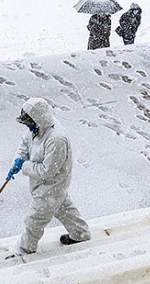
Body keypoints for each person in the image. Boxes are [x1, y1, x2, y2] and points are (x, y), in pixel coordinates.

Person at [7, 97, 91, 256]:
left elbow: (47, 170)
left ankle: (24, 252)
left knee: (33, 221)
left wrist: (23, 166)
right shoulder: (38, 127)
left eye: (29, 123)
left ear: (38, 119)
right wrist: (18, 159)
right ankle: (81, 234)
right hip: (47, 186)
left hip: (52, 185)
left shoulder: (56, 139)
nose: (28, 127)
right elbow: (25, 143)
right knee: (63, 208)